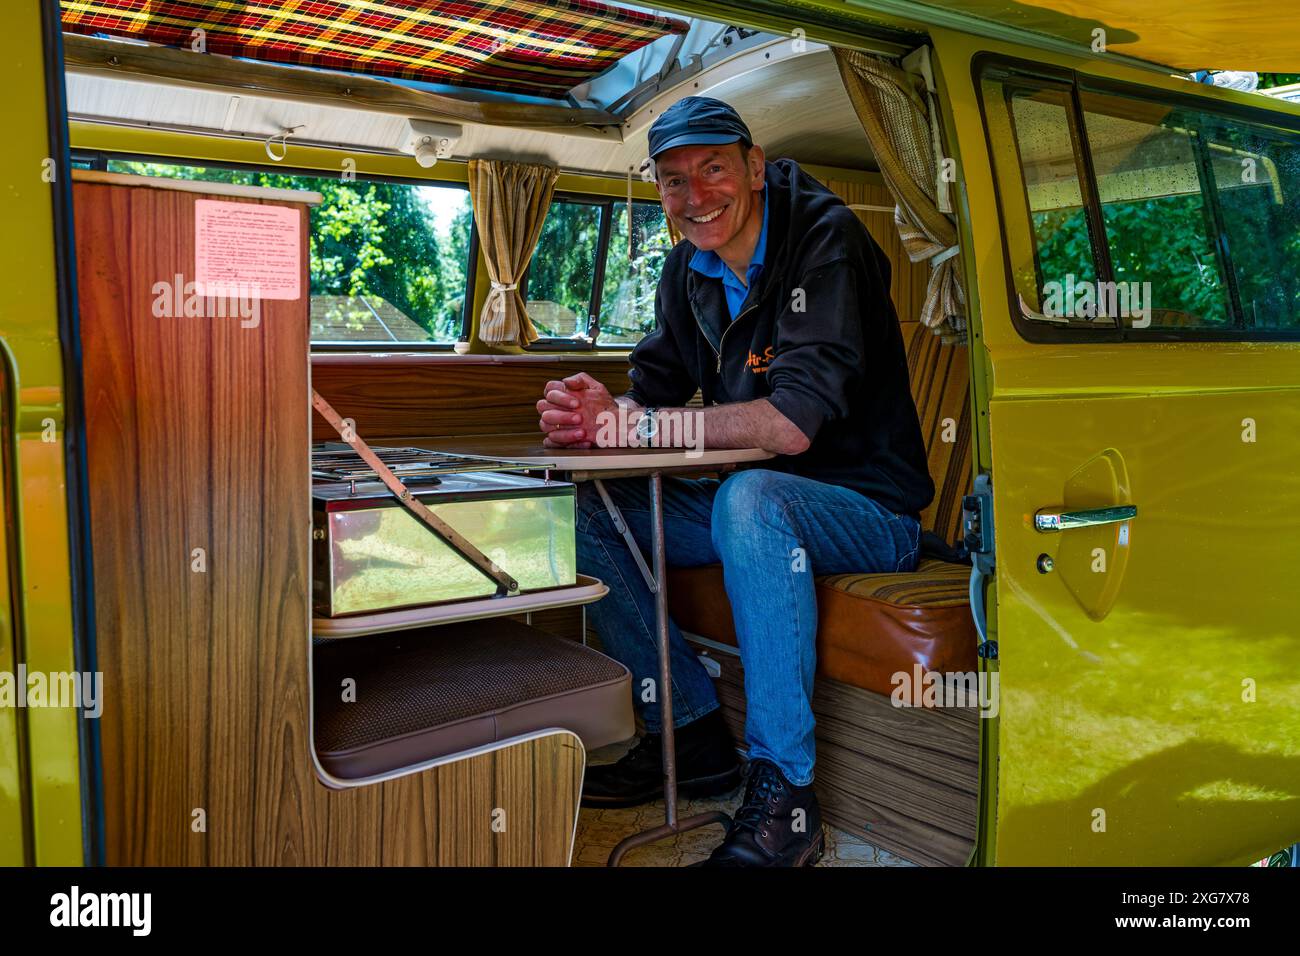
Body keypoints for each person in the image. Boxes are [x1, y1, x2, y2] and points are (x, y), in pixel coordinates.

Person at [535, 96, 934, 867]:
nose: (694, 197)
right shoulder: (689, 268)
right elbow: (648, 392)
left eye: (713, 168)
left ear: (753, 168)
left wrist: (639, 428)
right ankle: (690, 732)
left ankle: (787, 799)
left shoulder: (827, 240)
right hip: (756, 506)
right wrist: (597, 410)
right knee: (589, 507)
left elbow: (789, 427)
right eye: (673, 181)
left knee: (751, 498)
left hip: (868, 511)